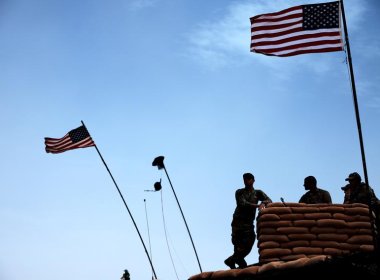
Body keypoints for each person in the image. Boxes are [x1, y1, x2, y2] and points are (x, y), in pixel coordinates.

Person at [224, 173, 272, 269]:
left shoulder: (258, 193)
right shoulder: (239, 192)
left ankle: (232, 260)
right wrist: (258, 205)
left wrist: (263, 202)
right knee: (238, 245)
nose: (246, 181)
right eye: (245, 179)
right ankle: (237, 262)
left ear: (253, 180)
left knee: (250, 240)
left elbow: (269, 200)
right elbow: (242, 204)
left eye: (249, 179)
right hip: (238, 222)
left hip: (248, 223)